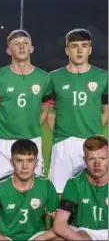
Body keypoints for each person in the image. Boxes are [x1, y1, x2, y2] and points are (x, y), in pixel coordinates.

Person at [47, 28, 108, 194]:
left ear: (90, 49)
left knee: (91, 192)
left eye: (84, 45)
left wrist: (92, 131)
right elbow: (49, 112)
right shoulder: (54, 77)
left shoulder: (103, 77)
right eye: (74, 46)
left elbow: (105, 111)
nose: (80, 50)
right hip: (63, 143)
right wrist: (60, 135)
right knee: (58, 193)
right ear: (67, 50)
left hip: (92, 145)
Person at [0, 30, 51, 181]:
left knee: (34, 186)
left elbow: (45, 111)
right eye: (16, 44)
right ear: (9, 50)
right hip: (3, 141)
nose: (21, 47)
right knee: (2, 187)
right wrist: (5, 130)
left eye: (25, 43)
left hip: (32, 139)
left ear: (31, 49)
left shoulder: (44, 78)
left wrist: (30, 129)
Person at [0, 139, 59, 241]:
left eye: (30, 160)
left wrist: (42, 238)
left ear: (36, 163)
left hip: (36, 236)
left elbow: (61, 224)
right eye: (19, 160)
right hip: (7, 237)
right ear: (11, 162)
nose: (25, 167)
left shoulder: (46, 185)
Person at [53, 135, 108, 240]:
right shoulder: (75, 183)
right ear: (85, 160)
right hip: (84, 233)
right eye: (92, 159)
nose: (97, 164)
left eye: (102, 158)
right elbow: (59, 224)